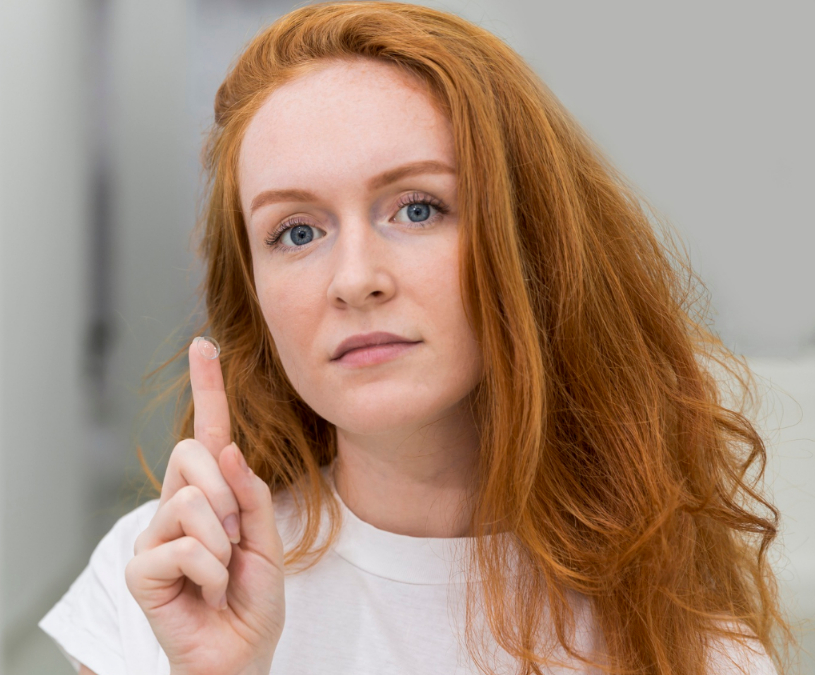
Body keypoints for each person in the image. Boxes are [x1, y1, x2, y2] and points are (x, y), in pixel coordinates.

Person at [40, 3, 791, 674]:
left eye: (418, 209)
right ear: (255, 296)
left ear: (529, 244)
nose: (354, 278)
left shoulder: (684, 642)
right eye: (296, 231)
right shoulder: (163, 580)